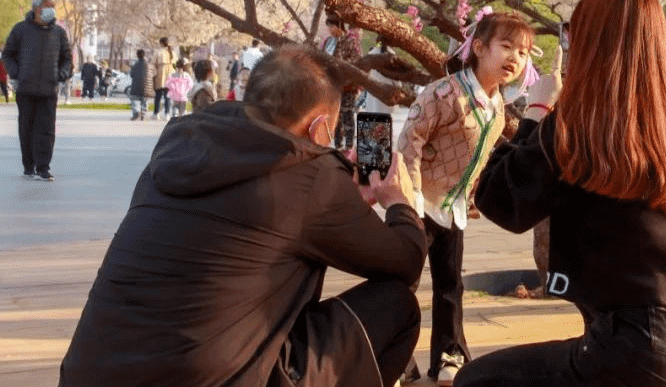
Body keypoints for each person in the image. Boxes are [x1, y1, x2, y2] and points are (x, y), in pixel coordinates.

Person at [58, 46, 426, 387]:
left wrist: (342, 199)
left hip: (88, 373)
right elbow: (405, 262)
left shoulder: (179, 144)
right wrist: (398, 204)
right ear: (318, 129)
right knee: (397, 304)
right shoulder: (312, 177)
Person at [454, 0, 666, 387]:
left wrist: (536, 112)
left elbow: (501, 201)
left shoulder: (580, 128)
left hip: (637, 350)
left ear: (592, 44)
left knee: (478, 380)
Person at [398, 11, 536, 386]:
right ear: (478, 48)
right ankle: (392, 357)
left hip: (453, 210)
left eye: (523, 53)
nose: (515, 58)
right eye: (506, 47)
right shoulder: (443, 93)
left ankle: (448, 354)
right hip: (419, 204)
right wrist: (406, 201)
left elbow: (483, 156)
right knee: (402, 285)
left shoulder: (497, 104)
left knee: (450, 287)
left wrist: (471, 194)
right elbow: (408, 144)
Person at [1, 0, 73, 181]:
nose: (51, 11)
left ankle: (43, 167)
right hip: (25, 89)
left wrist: (61, 74)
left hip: (49, 90)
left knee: (47, 130)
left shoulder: (58, 33)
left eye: (52, 7)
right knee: (26, 128)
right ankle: (29, 165)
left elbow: (67, 58)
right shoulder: (20, 29)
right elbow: (7, 54)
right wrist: (16, 73)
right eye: (47, 7)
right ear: (36, 8)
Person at [322, 15, 362, 149]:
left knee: (347, 114)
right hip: (332, 86)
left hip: (347, 86)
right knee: (335, 116)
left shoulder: (350, 41)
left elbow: (357, 62)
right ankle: (338, 144)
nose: (329, 29)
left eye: (331, 26)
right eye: (328, 26)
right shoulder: (328, 41)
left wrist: (340, 65)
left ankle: (350, 145)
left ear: (339, 26)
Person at [152, 37, 175, 120]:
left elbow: (153, 64)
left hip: (160, 75)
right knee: (167, 96)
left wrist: (154, 75)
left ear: (161, 43)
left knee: (158, 96)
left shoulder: (158, 52)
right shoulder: (172, 53)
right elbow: (175, 65)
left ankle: (156, 113)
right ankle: (167, 113)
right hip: (170, 75)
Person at [128, 50, 150, 121]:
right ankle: (143, 112)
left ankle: (136, 112)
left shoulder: (135, 64)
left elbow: (131, 74)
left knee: (133, 99)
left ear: (137, 55)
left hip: (136, 86)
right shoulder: (148, 64)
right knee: (144, 100)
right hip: (146, 86)